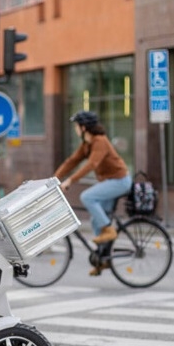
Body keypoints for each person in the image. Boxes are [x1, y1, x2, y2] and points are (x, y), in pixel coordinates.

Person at [54, 110, 132, 275]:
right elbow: (72, 161)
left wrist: (70, 181)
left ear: (84, 127)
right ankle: (103, 258)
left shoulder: (100, 141)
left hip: (120, 181)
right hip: (109, 182)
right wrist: (54, 179)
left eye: (77, 125)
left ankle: (109, 230)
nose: (75, 128)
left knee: (87, 197)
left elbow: (92, 165)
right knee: (96, 220)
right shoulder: (87, 144)